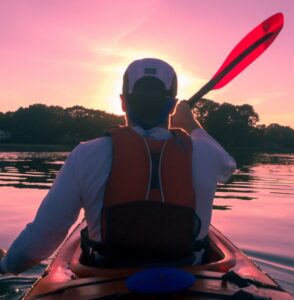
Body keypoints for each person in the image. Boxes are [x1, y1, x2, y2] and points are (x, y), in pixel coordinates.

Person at [0, 58, 236, 275]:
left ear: (123, 102)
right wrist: (191, 123)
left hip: (107, 278)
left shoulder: (86, 154)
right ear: (173, 106)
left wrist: (5, 266)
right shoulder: (206, 154)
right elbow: (228, 166)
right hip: (188, 280)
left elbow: (42, 238)